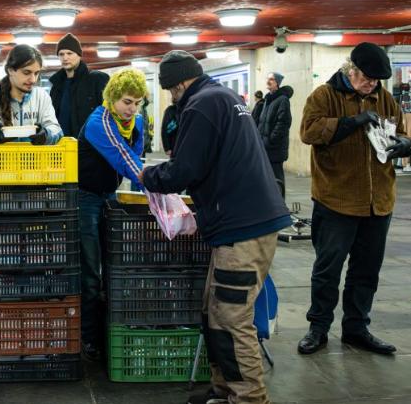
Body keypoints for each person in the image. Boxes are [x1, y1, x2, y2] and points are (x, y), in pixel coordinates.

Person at [136, 50, 290, 404]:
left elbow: (184, 170)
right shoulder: (224, 97)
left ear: (177, 85)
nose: (173, 98)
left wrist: (148, 176)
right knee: (215, 311)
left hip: (243, 227)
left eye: (171, 91)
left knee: (233, 318)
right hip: (245, 222)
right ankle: (224, 389)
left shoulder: (200, 106)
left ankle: (250, 398)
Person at [297, 42, 411, 357]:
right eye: (368, 78)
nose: (372, 85)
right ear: (352, 70)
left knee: (366, 270)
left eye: (377, 80)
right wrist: (351, 123)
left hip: (378, 202)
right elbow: (309, 131)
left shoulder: (384, 98)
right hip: (337, 201)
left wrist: (404, 144)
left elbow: (400, 130)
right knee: (328, 269)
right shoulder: (324, 96)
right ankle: (318, 328)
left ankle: (356, 329)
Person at [76, 68, 145, 360]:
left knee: (114, 265)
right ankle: (88, 337)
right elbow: (124, 158)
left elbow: (136, 160)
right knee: (91, 272)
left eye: (138, 103)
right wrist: (162, 183)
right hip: (85, 199)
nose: (132, 109)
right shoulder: (98, 122)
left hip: (109, 196)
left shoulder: (137, 122)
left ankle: (108, 331)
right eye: (127, 102)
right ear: (113, 98)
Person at [48, 33, 109, 137]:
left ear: (79, 55)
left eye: (69, 53)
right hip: (61, 145)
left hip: (88, 146)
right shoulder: (56, 85)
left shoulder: (96, 80)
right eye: (61, 54)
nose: (65, 58)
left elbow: (109, 115)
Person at [256, 73, 292, 197]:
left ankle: (280, 207)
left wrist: (271, 141)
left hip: (274, 148)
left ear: (277, 83)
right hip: (265, 147)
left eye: (271, 79)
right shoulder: (268, 99)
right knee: (267, 180)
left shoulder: (282, 100)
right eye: (268, 79)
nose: (268, 81)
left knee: (277, 180)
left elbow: (283, 123)